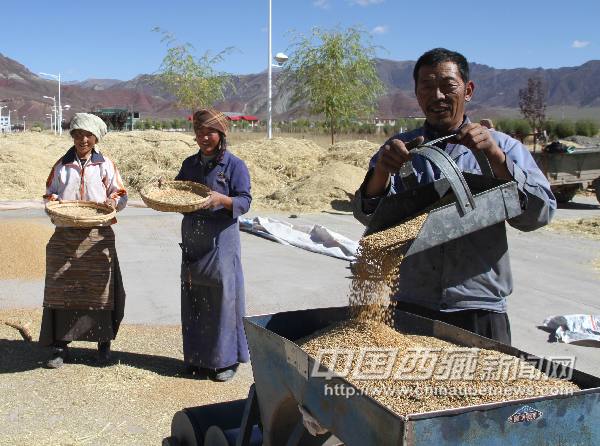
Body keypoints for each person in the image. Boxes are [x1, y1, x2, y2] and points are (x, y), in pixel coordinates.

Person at [353, 48, 556, 345]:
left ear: (468, 90)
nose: (437, 96)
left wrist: (496, 158)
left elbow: (539, 214)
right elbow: (369, 217)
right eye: (427, 86)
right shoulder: (400, 150)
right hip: (411, 305)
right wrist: (382, 171)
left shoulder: (502, 147)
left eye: (448, 86)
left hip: (478, 308)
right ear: (417, 92)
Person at [40, 112, 128, 368]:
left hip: (97, 236)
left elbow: (119, 193)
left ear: (96, 138)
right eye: (78, 134)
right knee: (61, 286)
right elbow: (48, 194)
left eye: (88, 135)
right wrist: (55, 205)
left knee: (99, 291)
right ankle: (59, 346)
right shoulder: (61, 165)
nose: (83, 140)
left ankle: (103, 345)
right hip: (65, 235)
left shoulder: (105, 165)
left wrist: (112, 202)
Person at [175, 108, 252, 382]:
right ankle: (197, 358)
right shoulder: (190, 165)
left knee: (223, 298)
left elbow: (245, 200)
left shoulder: (234, 166)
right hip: (193, 238)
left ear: (221, 135)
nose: (204, 137)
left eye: (210, 132)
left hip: (222, 241)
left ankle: (225, 361)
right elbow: (177, 192)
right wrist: (168, 190)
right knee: (195, 297)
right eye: (199, 132)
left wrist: (223, 200)